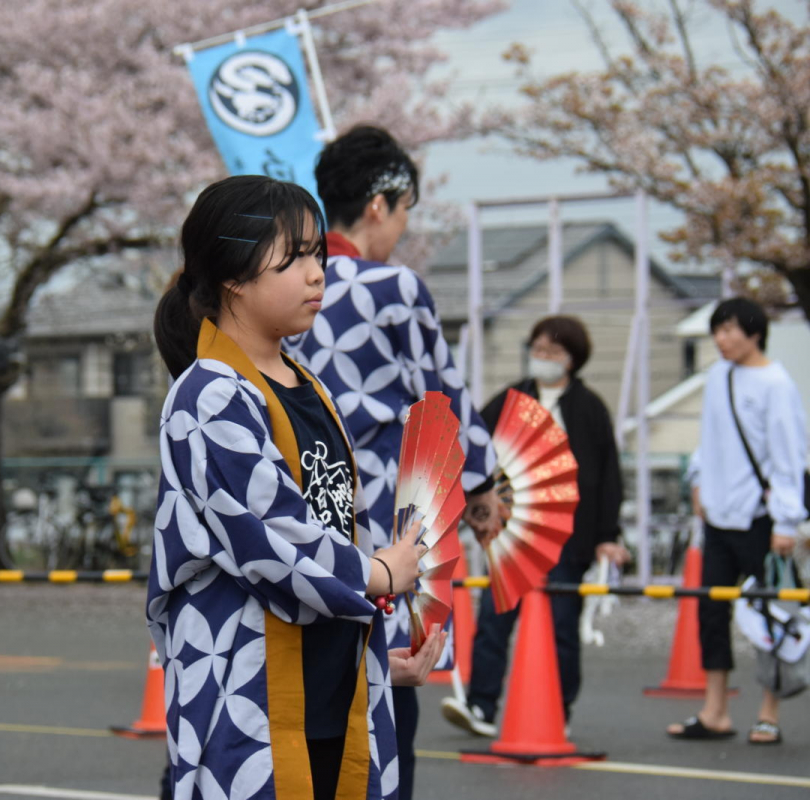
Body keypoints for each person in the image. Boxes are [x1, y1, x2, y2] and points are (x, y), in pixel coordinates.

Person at [148, 174, 445, 800]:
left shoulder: (307, 385)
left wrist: (377, 660)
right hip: (247, 698)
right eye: (294, 259)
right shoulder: (207, 394)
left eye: (318, 256)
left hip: (324, 688)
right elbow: (274, 541)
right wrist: (382, 573)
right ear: (233, 274)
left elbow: (333, 530)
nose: (317, 276)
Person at [283, 124, 503, 796]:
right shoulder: (392, 290)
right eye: (405, 210)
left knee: (309, 701)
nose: (403, 228)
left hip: (293, 521)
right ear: (379, 202)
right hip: (377, 525)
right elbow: (442, 398)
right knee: (386, 702)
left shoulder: (281, 287)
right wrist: (486, 486)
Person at [440, 315, 628, 736]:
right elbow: (474, 447)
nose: (542, 358)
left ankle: (557, 708)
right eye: (538, 349)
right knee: (494, 620)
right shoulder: (510, 398)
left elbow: (608, 476)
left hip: (568, 537)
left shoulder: (590, 408)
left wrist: (606, 537)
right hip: (512, 532)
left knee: (562, 624)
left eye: (553, 352)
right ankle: (481, 706)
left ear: (573, 360)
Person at [667, 297, 807, 745]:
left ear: (754, 332)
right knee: (712, 610)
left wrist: (787, 521)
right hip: (719, 516)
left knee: (771, 614)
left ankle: (769, 712)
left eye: (730, 331)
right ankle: (715, 710)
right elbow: (709, 440)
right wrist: (699, 482)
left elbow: (789, 456)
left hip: (761, 518)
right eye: (717, 331)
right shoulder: (718, 378)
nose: (721, 339)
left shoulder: (776, 383)